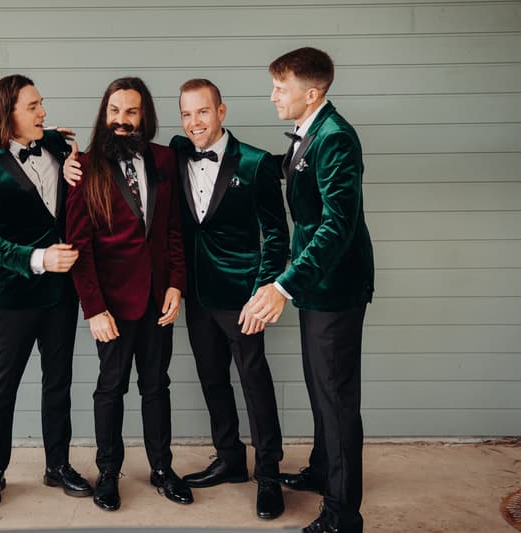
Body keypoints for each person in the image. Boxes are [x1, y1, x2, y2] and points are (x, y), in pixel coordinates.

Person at [243, 47, 375, 533]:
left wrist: (283, 285)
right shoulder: (312, 132)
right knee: (322, 389)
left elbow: (337, 227)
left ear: (311, 93)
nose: (273, 95)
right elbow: (291, 168)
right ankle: (323, 470)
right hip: (316, 287)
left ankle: (342, 516)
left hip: (334, 286)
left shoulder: (337, 138)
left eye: (281, 88)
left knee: (337, 401)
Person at [0, 74, 91, 509]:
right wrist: (38, 258)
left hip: (63, 294)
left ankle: (57, 465)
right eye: (33, 106)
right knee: (5, 384)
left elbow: (69, 165)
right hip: (16, 294)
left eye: (42, 104)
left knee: (59, 381)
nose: (44, 113)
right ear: (8, 113)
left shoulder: (56, 145)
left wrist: (70, 153)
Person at [64, 77, 192, 511]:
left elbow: (173, 229)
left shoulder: (165, 159)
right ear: (105, 114)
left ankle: (161, 468)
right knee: (110, 388)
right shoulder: (84, 166)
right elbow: (79, 247)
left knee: (157, 386)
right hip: (112, 307)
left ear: (145, 116)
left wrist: (177, 283)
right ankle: (108, 472)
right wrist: (94, 309)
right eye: (115, 111)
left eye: (131, 111)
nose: (122, 120)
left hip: (159, 300)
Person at [170, 78, 289, 520]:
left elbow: (277, 234)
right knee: (212, 378)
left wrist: (264, 289)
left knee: (255, 382)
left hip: (242, 296)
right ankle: (230, 458)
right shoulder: (177, 153)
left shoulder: (256, 163)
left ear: (222, 111)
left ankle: (270, 475)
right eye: (186, 113)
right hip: (197, 294)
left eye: (202, 111)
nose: (194, 122)